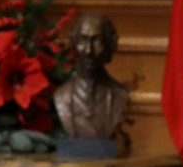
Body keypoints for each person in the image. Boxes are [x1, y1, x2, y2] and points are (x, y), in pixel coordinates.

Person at [54, 12, 129, 141]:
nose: (88, 50)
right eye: (83, 40)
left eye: (97, 41)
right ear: (73, 43)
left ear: (110, 45)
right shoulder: (61, 96)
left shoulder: (119, 95)